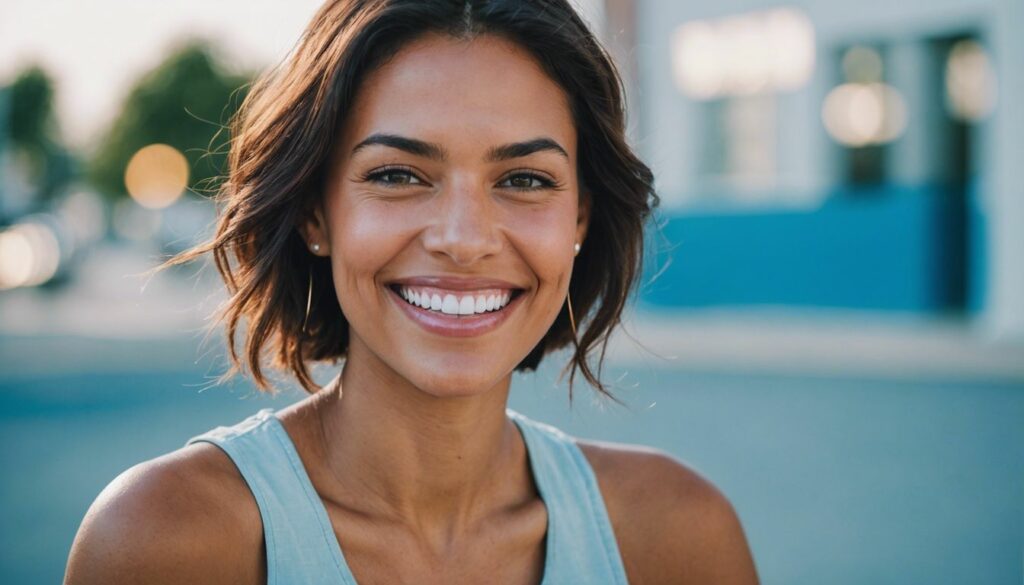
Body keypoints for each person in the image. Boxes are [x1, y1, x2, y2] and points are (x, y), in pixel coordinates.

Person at [65, 1, 759, 583]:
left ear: (579, 216)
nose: (464, 238)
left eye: (524, 179)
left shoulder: (676, 538)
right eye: (398, 175)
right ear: (315, 211)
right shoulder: (164, 541)